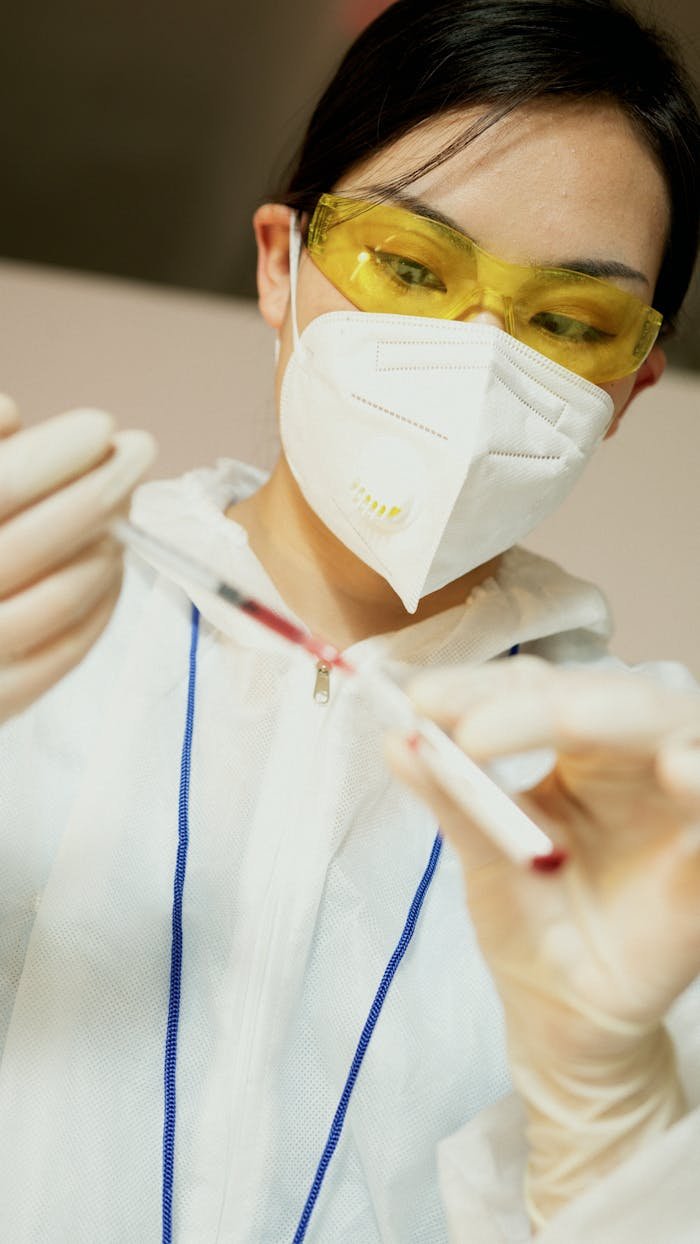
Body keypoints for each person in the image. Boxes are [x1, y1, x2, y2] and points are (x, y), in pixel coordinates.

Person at [1, 0, 699, 1239]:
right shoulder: (36, 620)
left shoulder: (654, 787)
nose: (476, 355)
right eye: (412, 266)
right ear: (281, 262)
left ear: (629, 386)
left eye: (565, 321)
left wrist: (619, 1131)